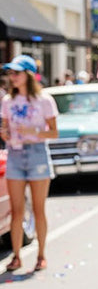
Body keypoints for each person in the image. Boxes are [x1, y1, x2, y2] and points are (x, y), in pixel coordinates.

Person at [0, 55, 58, 272]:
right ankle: (16, 256)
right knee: (16, 211)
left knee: (38, 209)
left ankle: (41, 255)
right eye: (10, 73)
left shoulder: (44, 100)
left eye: (16, 73)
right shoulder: (7, 101)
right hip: (14, 154)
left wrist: (34, 131)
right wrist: (5, 134)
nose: (12, 77)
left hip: (37, 154)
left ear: (28, 75)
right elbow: (6, 129)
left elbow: (54, 132)